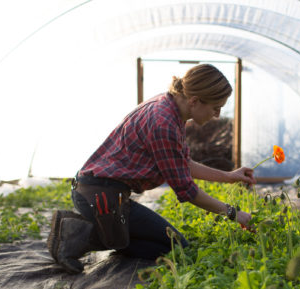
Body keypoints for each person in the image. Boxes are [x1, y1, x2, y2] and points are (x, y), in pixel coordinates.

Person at [47, 64, 256, 274]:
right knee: (176, 247)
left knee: (163, 243)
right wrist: (232, 213)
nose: (218, 115)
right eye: (215, 107)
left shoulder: (170, 107)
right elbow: (187, 191)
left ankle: (113, 234)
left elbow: (182, 163)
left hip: (102, 192)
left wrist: (229, 177)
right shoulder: (164, 123)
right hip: (101, 196)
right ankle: (73, 235)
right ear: (194, 101)